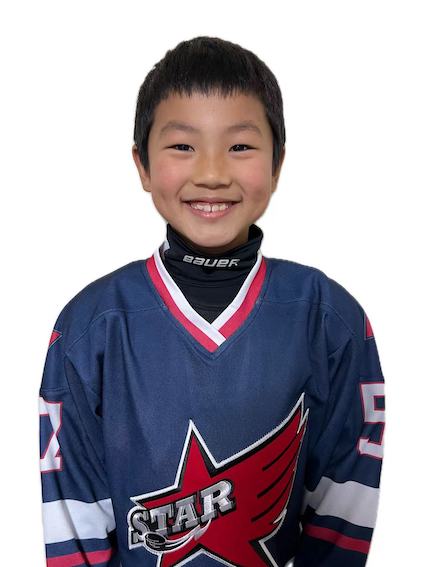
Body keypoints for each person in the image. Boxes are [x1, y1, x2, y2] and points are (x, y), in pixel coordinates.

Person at [38, 36, 385, 567]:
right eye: (183, 146)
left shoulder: (328, 319)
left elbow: (341, 518)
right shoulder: (90, 327)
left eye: (240, 146)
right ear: (142, 164)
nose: (212, 173)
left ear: (278, 163)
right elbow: (75, 521)